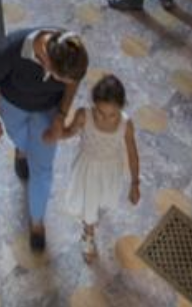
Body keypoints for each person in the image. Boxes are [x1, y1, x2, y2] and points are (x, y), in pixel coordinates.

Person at [0, 28, 89, 251]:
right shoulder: (10, 49)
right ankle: (21, 150)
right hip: (12, 105)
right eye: (62, 78)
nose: (69, 83)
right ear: (47, 65)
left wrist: (61, 116)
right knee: (20, 138)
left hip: (48, 110)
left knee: (42, 168)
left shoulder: (70, 53)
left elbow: (73, 82)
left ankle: (37, 221)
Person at [54, 75, 141, 263]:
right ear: (94, 104)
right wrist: (58, 131)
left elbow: (132, 154)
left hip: (110, 170)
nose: (106, 118)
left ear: (122, 107)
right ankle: (88, 236)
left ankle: (91, 219)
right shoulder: (84, 115)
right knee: (89, 206)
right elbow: (69, 132)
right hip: (88, 170)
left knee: (103, 199)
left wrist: (135, 183)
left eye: (112, 114)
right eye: (100, 113)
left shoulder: (126, 124)